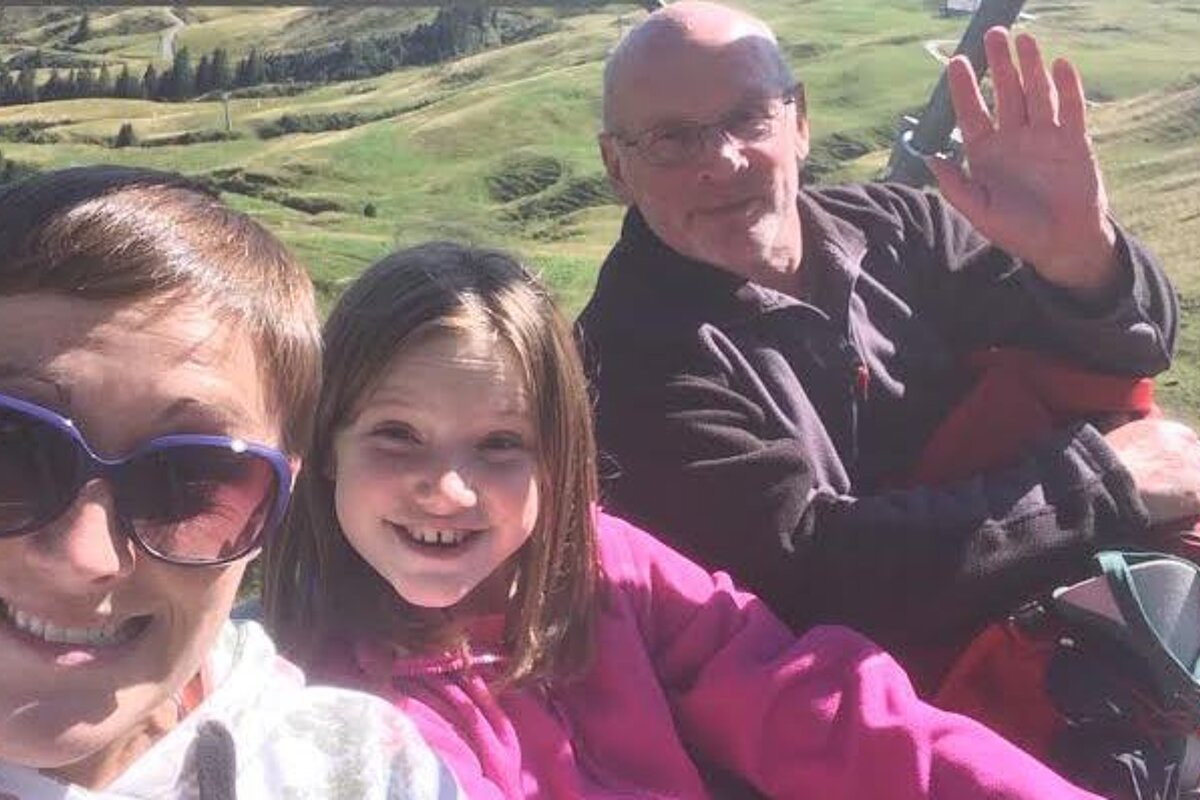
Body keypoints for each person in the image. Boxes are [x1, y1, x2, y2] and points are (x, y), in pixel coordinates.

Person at [263, 240, 1106, 799]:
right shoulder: (312, 691)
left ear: (558, 460)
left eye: (499, 444)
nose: (447, 489)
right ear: (324, 446)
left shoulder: (606, 567)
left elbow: (820, 705)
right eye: (397, 437)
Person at [575, 0, 1200, 661]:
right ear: (618, 167)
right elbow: (814, 578)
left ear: (800, 122)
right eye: (672, 138)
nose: (723, 162)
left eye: (746, 118)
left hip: (1093, 624)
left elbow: (1129, 353)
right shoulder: (623, 361)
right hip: (911, 720)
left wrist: (1081, 258)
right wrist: (1101, 483)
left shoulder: (900, 225)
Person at [0, 167, 461, 799]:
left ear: (277, 506)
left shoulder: (362, 773)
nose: (87, 557)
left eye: (191, 483)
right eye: (14, 450)